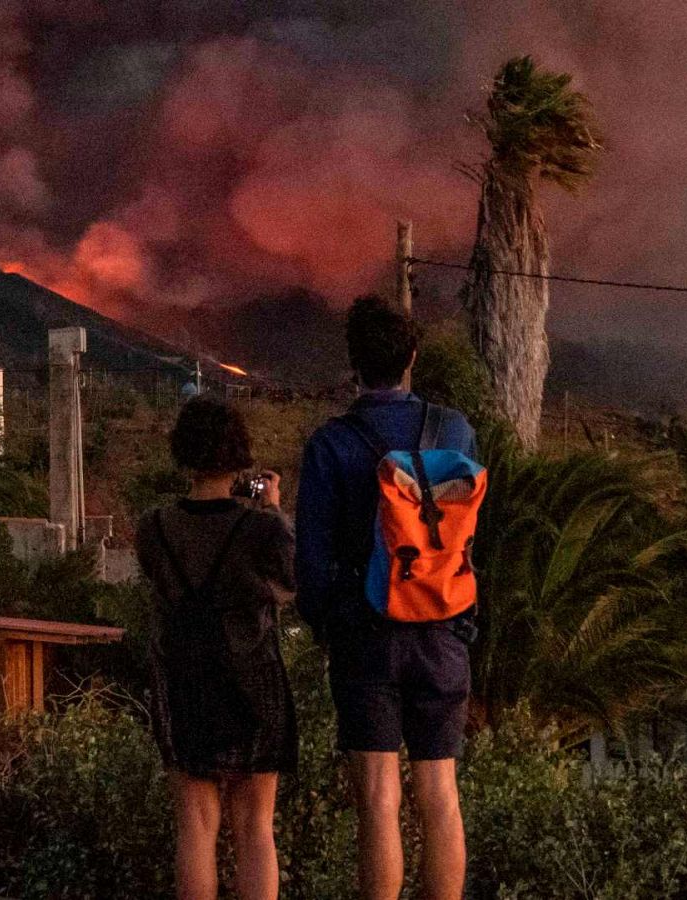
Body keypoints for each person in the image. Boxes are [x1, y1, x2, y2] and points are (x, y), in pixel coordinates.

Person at [295, 296, 479, 900]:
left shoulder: (331, 445)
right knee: (440, 794)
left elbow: (311, 565)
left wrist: (329, 626)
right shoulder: (455, 430)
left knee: (378, 798)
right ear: (413, 359)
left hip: (365, 633)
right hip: (443, 627)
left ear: (353, 363)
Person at [136, 397, 298, 900]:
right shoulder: (260, 528)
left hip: (184, 683)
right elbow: (295, 580)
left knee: (195, 825)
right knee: (254, 828)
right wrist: (273, 509)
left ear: (183, 453)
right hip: (254, 686)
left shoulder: (155, 528)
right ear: (238, 457)